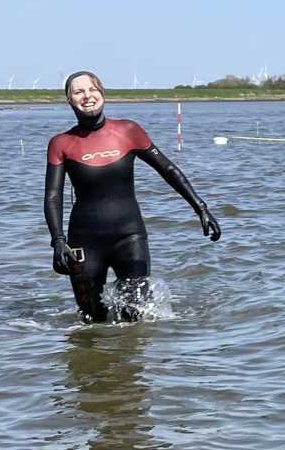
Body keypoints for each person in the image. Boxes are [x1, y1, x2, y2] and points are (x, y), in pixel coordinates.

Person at [45, 71, 221, 322]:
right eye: (78, 92)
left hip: (129, 237)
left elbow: (168, 170)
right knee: (90, 320)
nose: (87, 96)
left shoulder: (128, 130)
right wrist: (58, 241)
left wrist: (201, 208)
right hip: (84, 243)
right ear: (69, 100)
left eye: (92, 89)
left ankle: (130, 360)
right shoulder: (61, 143)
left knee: (135, 316)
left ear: (102, 93)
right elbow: (53, 196)